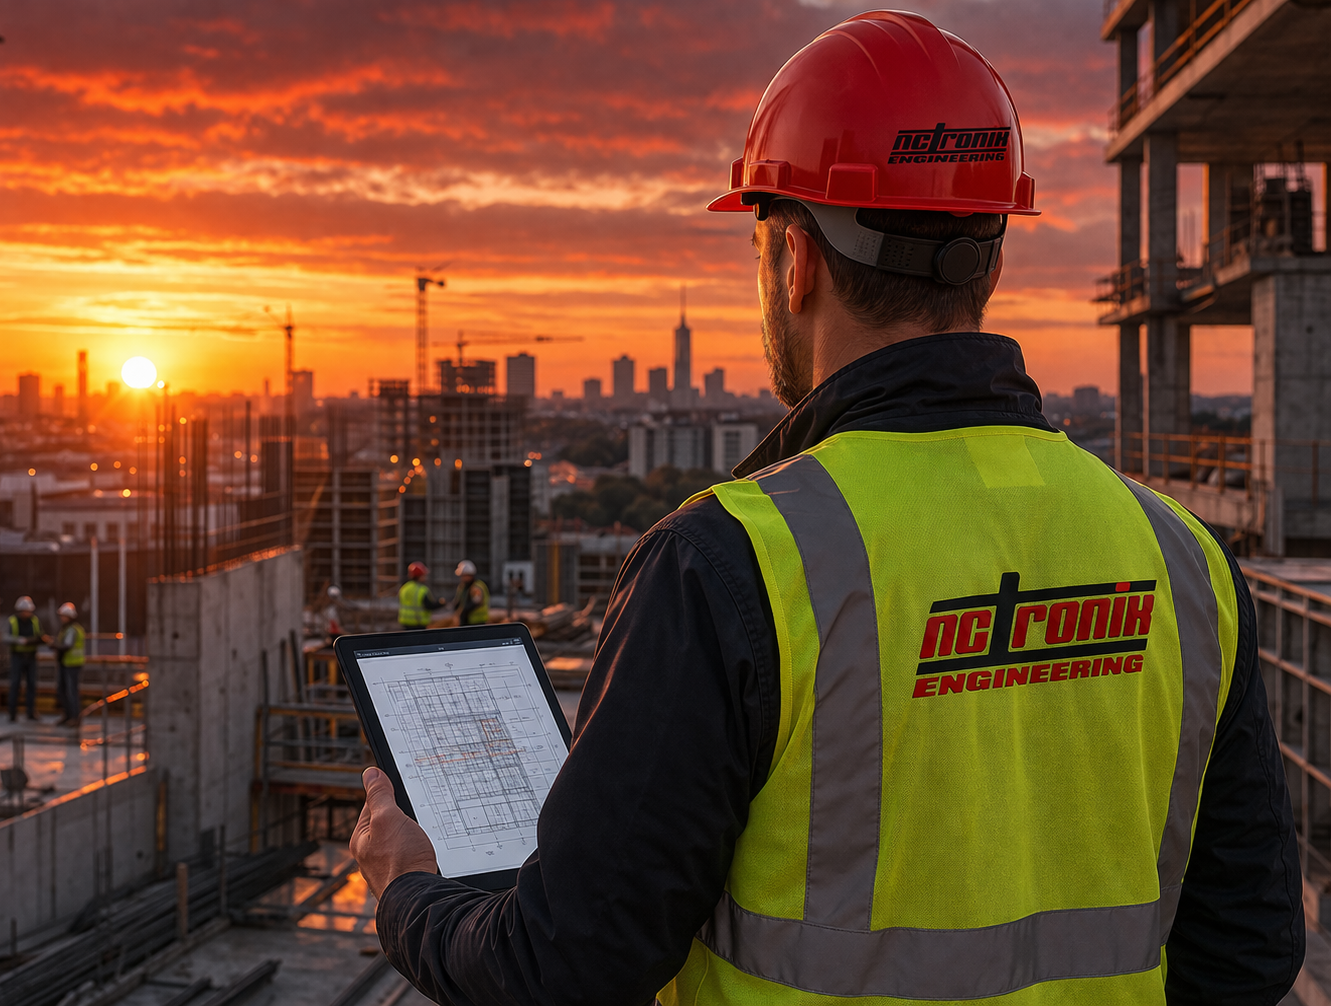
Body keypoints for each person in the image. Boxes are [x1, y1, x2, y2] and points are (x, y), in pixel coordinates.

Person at [350, 11, 1303, 1005]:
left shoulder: (729, 564)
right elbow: (1248, 949)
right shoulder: (1182, 559)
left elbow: (565, 965)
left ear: (794, 259)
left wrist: (407, 889)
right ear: (995, 257)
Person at [6, 595, 47, 722]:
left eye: (28, 611)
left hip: (31, 657)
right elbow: (6, 637)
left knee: (31, 685)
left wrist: (35, 641)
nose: (27, 613)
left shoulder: (34, 621)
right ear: (19, 610)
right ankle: (12, 713)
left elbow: (40, 636)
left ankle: (31, 712)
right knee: (15, 684)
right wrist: (19, 641)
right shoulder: (12, 621)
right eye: (25, 611)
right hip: (17, 657)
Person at [53, 601, 86, 726]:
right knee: (62, 690)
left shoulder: (72, 629)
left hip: (72, 664)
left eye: (63, 616)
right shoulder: (66, 629)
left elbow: (67, 646)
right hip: (65, 663)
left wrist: (54, 646)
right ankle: (67, 715)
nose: (61, 618)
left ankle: (74, 717)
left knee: (71, 691)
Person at [398, 562, 446, 630]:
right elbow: (428, 606)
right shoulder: (422, 590)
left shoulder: (404, 588)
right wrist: (441, 603)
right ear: (420, 576)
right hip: (418, 623)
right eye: (424, 575)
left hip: (405, 622)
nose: (425, 578)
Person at [451, 560, 490, 625]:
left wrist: (464, 610)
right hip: (466, 621)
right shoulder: (462, 587)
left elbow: (477, 601)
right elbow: (458, 600)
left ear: (470, 575)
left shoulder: (477, 586)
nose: (462, 578)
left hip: (477, 622)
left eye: (464, 576)